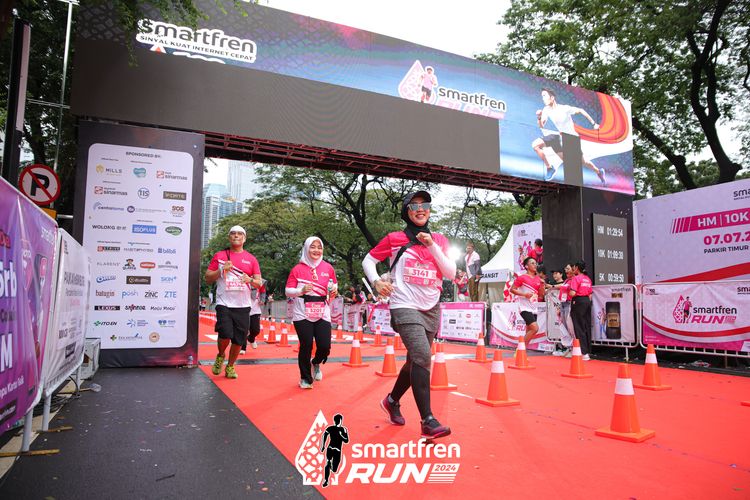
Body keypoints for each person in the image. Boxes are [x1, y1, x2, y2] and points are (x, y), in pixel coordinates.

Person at [363, 191, 456, 440]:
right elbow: (368, 260)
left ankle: (392, 401)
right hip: (403, 304)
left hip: (431, 306)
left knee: (415, 361)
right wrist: (376, 281)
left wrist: (431, 245)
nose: (420, 209)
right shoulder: (395, 239)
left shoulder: (439, 240)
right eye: (414, 205)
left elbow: (450, 273)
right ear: (407, 211)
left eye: (425, 204)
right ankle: (428, 420)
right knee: (423, 356)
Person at [205, 226, 263, 379]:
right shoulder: (220, 256)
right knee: (225, 333)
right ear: (229, 237)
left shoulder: (251, 259)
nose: (236, 236)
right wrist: (221, 270)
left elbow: (259, 283)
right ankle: (220, 355)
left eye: (240, 234)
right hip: (224, 302)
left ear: (245, 238)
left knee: (239, 339)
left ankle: (230, 366)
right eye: (233, 233)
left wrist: (250, 280)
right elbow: (208, 278)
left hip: (243, 305)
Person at [286, 236, 338, 389]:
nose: (316, 250)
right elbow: (288, 291)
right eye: (313, 247)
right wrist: (300, 290)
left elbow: (334, 285)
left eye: (319, 247)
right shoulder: (297, 269)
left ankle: (315, 362)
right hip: (302, 312)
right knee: (306, 345)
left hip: (322, 311)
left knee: (325, 346)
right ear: (306, 248)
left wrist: (334, 290)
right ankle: (305, 378)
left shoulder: (328, 268)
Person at [532, 88, 606, 184]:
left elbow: (581, 110)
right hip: (560, 137)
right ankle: (550, 168)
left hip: (572, 138)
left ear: (552, 97)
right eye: (542, 96)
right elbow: (542, 126)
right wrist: (539, 118)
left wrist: (594, 123)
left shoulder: (564, 108)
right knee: (536, 145)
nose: (543, 98)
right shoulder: (546, 109)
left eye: (544, 95)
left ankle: (599, 172)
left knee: (582, 162)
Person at [510, 256, 546, 348]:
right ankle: (520, 348)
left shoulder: (538, 279)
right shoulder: (522, 278)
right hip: (524, 307)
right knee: (535, 328)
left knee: (529, 330)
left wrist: (542, 285)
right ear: (526, 266)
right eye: (532, 263)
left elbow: (541, 296)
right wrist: (524, 294)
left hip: (534, 308)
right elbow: (512, 289)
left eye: (536, 263)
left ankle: (522, 351)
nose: (535, 265)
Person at [569, 260, 593, 360]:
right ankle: (587, 351)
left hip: (578, 301)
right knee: (586, 325)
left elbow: (573, 293)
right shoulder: (587, 279)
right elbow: (590, 294)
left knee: (578, 327)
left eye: (574, 267)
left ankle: (583, 352)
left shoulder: (576, 278)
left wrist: (568, 292)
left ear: (577, 268)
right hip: (587, 301)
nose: (573, 269)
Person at [552, 264, 575, 357]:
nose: (566, 270)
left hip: (569, 304)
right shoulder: (566, 280)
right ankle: (569, 348)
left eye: (568, 268)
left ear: (574, 269)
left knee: (571, 327)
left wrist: (552, 286)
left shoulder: (574, 280)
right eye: (565, 268)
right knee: (565, 327)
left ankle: (574, 348)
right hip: (563, 304)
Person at [320, 413, 349, 488]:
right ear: (340, 421)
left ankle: (329, 470)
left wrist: (323, 445)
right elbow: (346, 440)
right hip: (334, 450)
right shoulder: (340, 429)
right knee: (330, 465)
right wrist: (341, 435)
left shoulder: (335, 428)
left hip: (332, 449)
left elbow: (324, 435)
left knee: (332, 467)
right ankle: (326, 480)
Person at [241, 279, 266, 353]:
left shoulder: (259, 281)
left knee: (256, 330)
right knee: (244, 330)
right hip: (244, 308)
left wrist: (262, 300)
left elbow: (263, 292)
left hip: (255, 309)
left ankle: (251, 339)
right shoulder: (242, 280)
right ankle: (243, 348)